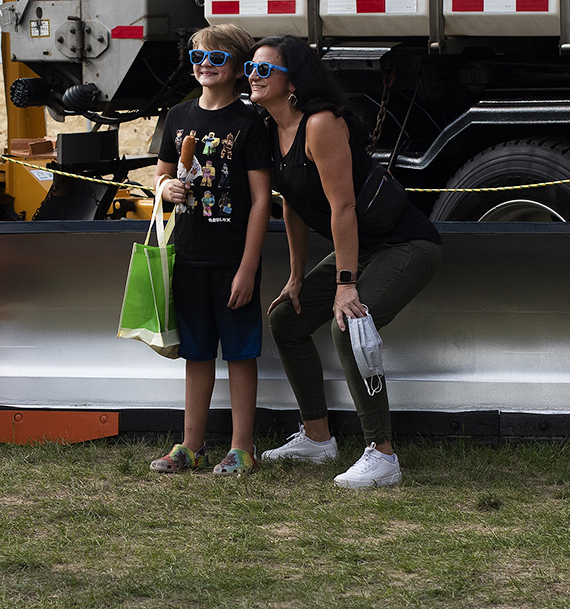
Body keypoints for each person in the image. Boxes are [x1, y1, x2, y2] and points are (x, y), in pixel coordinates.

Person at [248, 35, 442, 488]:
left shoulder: (320, 123)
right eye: (250, 68)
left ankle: (383, 455)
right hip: (367, 245)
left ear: (291, 81)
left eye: (264, 70)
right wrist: (297, 276)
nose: (252, 76)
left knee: (348, 324)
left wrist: (345, 284)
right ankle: (317, 440)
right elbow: (292, 203)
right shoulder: (270, 129)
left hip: (405, 243)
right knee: (285, 319)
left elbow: (344, 208)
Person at [148, 24, 271, 476]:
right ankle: (191, 446)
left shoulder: (249, 123)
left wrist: (247, 269)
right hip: (187, 256)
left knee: (240, 354)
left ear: (238, 68)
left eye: (216, 59)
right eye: (198, 57)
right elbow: (158, 179)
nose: (204, 65)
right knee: (196, 354)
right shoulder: (178, 116)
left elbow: (261, 201)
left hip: (232, 260)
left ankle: (242, 448)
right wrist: (166, 189)